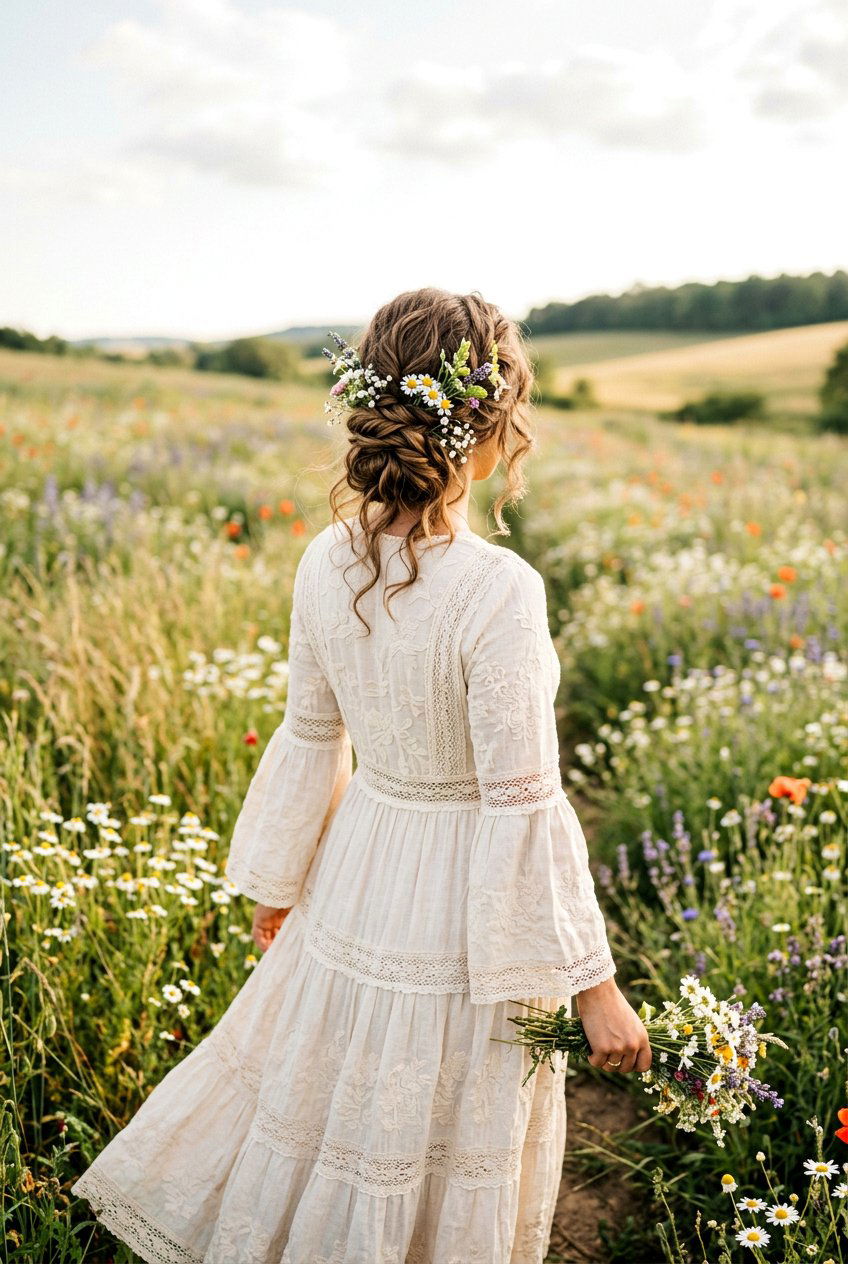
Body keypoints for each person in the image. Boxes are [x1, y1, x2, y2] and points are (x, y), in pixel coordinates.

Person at [72, 287, 651, 1263]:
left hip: (354, 872)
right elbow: (523, 808)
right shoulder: (499, 591)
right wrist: (592, 985)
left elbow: (311, 737)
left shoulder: (322, 560)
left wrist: (279, 883)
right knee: (426, 1134)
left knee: (341, 1107)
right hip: (460, 910)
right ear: (493, 421)